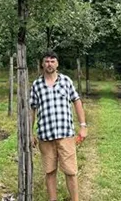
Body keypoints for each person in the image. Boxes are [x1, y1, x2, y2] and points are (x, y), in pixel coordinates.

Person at [30, 50, 87, 201]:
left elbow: (77, 101)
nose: (49, 64)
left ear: (57, 63)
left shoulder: (66, 81)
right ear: (42, 64)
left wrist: (83, 126)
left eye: (52, 61)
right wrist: (30, 132)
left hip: (65, 134)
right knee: (50, 171)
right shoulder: (36, 85)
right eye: (46, 61)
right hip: (45, 135)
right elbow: (32, 109)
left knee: (71, 171)